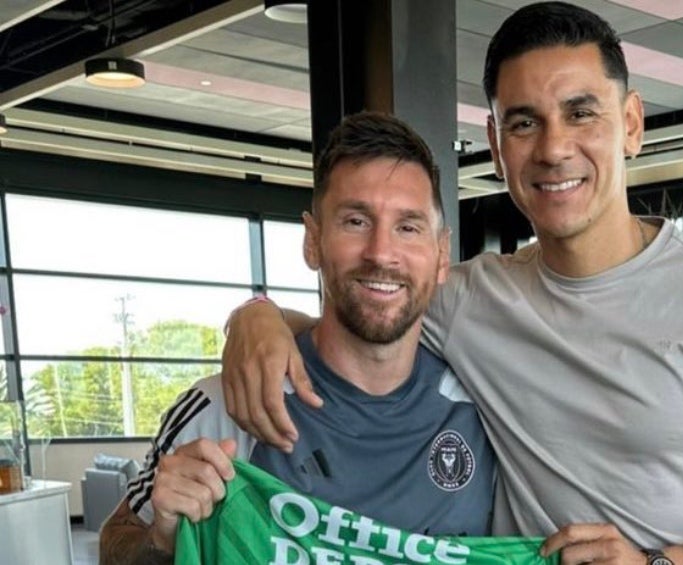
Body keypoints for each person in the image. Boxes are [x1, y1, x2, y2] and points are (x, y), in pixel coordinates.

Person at [221, 3, 683, 564]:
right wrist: (255, 316)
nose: (553, 149)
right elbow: (367, 316)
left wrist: (659, 564)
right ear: (497, 149)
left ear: (631, 124)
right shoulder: (470, 298)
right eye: (524, 123)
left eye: (581, 113)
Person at [98, 112, 496, 564]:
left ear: (441, 254)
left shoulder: (485, 408)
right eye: (355, 221)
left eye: (408, 227)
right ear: (313, 240)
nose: (381, 253)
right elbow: (114, 547)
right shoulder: (224, 406)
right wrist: (163, 538)